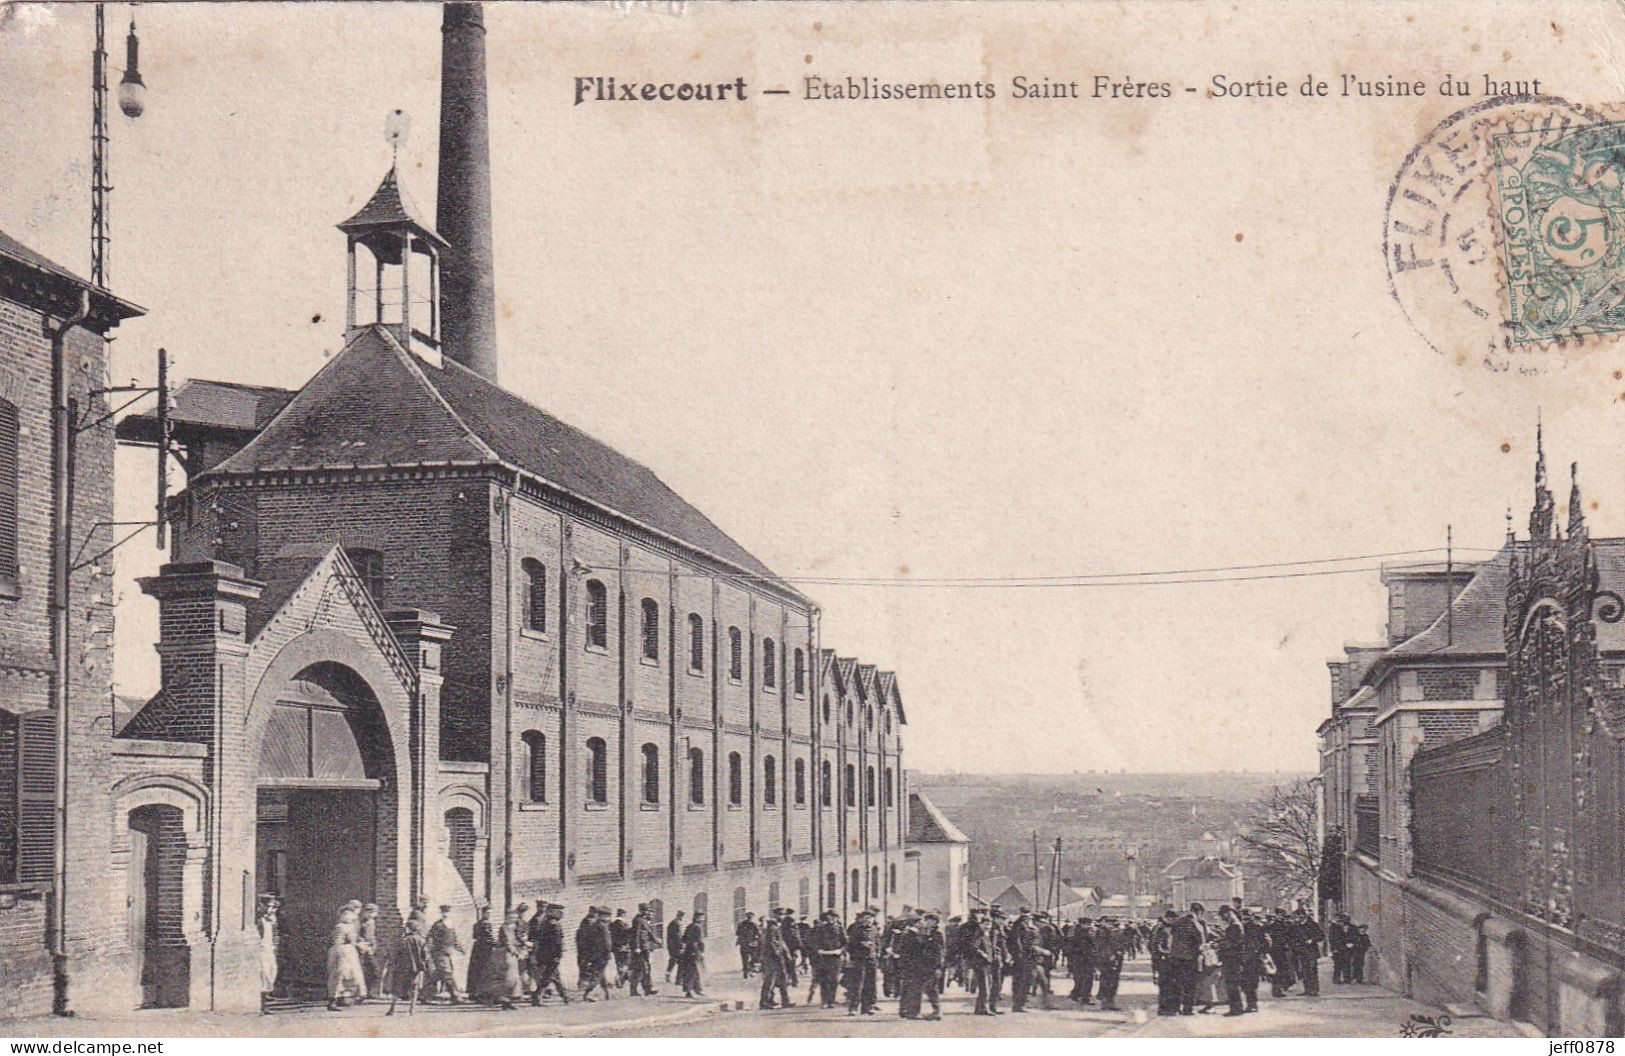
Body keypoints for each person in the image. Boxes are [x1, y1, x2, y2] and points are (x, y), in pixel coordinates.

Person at [385, 914, 430, 1016]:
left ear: (408, 929)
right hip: (415, 969)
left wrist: (394, 964)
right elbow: (426, 955)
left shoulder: (402, 940)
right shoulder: (421, 940)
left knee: (396, 988)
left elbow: (395, 954)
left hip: (401, 968)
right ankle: (411, 1010)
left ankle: (391, 1009)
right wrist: (422, 964)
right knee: (414, 989)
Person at [326, 905, 368, 1010]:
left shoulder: (350, 926)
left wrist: (360, 945)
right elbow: (338, 942)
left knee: (352, 976)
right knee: (339, 975)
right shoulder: (340, 927)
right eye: (348, 914)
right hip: (342, 952)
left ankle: (345, 997)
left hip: (350, 952)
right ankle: (333, 1000)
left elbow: (354, 940)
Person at [529, 902, 570, 1005]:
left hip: (544, 954)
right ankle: (537, 997)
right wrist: (558, 955)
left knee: (554, 976)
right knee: (549, 976)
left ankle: (564, 996)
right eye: (560, 912)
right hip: (551, 956)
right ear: (553, 912)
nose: (562, 914)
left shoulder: (544, 922)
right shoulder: (554, 925)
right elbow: (557, 942)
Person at [1168, 903, 1206, 1015]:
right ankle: (1188, 1008)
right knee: (1190, 984)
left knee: (1177, 983)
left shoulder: (1177, 922)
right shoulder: (1196, 924)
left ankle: (1175, 1008)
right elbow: (1200, 941)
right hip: (1189, 959)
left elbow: (1172, 935)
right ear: (1199, 912)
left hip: (1175, 957)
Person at [426, 903, 465, 1003]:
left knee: (439, 974)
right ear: (441, 913)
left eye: (447, 912)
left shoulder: (450, 924)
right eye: (443, 912)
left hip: (448, 953)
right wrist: (429, 950)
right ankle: (455, 996)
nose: (445, 914)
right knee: (447, 973)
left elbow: (454, 939)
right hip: (439, 953)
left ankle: (423, 994)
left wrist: (460, 948)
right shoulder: (438, 925)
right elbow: (430, 937)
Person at [966, 908, 1001, 1016]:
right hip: (980, 963)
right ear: (981, 924)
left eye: (989, 924)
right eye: (986, 924)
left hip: (988, 963)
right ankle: (984, 1008)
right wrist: (982, 954)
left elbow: (992, 947)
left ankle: (979, 1008)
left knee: (987, 985)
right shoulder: (979, 934)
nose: (988, 926)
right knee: (984, 986)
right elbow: (973, 947)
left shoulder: (987, 934)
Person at [845, 907, 880, 1015]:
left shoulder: (875, 929)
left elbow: (878, 943)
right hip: (859, 960)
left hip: (871, 960)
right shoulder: (856, 930)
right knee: (857, 985)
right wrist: (861, 944)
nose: (868, 920)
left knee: (870, 984)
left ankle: (867, 1007)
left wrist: (877, 953)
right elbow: (850, 945)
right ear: (862, 919)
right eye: (866, 918)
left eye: (870, 918)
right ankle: (853, 1008)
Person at [758, 909, 794, 1009]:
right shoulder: (772, 926)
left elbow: (781, 942)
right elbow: (772, 942)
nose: (782, 916)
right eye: (780, 914)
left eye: (783, 915)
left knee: (782, 979)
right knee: (770, 980)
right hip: (772, 957)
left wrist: (786, 954)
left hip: (778, 956)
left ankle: (785, 1001)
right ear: (775, 915)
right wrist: (778, 953)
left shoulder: (777, 926)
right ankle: (765, 1002)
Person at [578, 906, 614, 1001]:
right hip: (602, 955)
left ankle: (607, 993)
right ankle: (588, 994)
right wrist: (608, 953)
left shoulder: (593, 925)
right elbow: (607, 943)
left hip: (594, 954)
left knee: (601, 974)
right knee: (598, 974)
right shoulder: (603, 927)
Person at [811, 910, 845, 1008]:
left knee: (834, 979)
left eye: (835, 917)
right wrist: (818, 950)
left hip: (835, 956)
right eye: (831, 917)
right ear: (827, 917)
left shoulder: (839, 928)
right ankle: (824, 1001)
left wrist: (841, 951)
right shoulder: (820, 928)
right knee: (824, 979)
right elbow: (814, 941)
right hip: (823, 956)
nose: (833, 919)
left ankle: (831, 1000)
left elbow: (845, 943)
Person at [627, 904, 661, 996]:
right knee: (641, 969)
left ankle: (647, 989)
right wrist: (637, 947)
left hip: (645, 948)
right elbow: (636, 934)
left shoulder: (643, 920)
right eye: (645, 910)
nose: (647, 912)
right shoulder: (637, 920)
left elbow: (648, 933)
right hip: (641, 949)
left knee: (646, 969)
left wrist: (656, 940)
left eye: (647, 910)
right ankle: (634, 990)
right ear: (641, 910)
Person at [1239, 907, 1269, 1013]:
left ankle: (1252, 1004)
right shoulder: (1256, 927)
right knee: (1249, 983)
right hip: (1249, 959)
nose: (1245, 919)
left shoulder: (1253, 927)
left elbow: (1266, 942)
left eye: (1247, 917)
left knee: (1249, 983)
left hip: (1251, 959)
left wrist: (1261, 952)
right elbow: (1267, 942)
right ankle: (1252, 1004)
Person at [255, 894, 280, 1014]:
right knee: (264, 975)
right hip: (261, 950)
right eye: (269, 906)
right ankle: (262, 1006)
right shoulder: (258, 919)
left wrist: (275, 946)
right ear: (262, 905)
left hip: (269, 949)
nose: (271, 909)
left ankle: (265, 1000)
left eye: (272, 907)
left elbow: (275, 934)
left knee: (272, 973)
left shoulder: (271, 919)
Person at [469, 904, 497, 1003]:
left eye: (490, 913)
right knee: (484, 970)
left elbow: (475, 936)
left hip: (477, 949)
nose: (489, 915)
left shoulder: (477, 924)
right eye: (488, 913)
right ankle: (482, 994)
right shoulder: (486, 924)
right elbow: (488, 937)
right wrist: (497, 944)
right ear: (483, 913)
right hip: (485, 950)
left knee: (476, 971)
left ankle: (475, 993)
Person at [1293, 909, 1325, 997]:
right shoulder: (1296, 926)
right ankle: (1307, 989)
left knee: (1312, 970)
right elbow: (1293, 938)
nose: (1299, 918)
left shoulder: (1313, 925)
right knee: (1304, 971)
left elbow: (1321, 936)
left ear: (1304, 915)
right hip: (1302, 952)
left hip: (1311, 951)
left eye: (1300, 916)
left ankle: (1314, 990)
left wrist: (1312, 940)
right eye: (1297, 916)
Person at [1095, 919, 1125, 1011]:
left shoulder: (1113, 931)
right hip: (1108, 959)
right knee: (1108, 980)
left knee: (1112, 980)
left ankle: (1108, 1001)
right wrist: (1111, 954)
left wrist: (1119, 951)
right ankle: (1106, 1002)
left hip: (1114, 958)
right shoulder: (1103, 932)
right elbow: (1103, 946)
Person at [677, 912, 707, 997]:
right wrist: (701, 952)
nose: (703, 920)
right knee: (692, 972)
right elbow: (700, 941)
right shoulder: (698, 927)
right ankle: (689, 991)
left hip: (688, 951)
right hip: (695, 951)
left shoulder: (689, 926)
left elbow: (683, 939)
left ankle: (697, 989)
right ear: (697, 918)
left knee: (693, 971)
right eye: (701, 918)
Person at [1068, 916, 1097, 1004]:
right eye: (1088, 924)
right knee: (1088, 978)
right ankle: (1085, 998)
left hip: (1076, 958)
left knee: (1079, 977)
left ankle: (1075, 994)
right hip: (1086, 958)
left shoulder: (1073, 931)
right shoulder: (1087, 932)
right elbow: (1092, 945)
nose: (1090, 926)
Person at [610, 908, 632, 988]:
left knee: (619, 964)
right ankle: (619, 978)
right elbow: (628, 935)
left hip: (616, 948)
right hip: (624, 947)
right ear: (623, 915)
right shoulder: (624, 925)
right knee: (627, 963)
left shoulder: (612, 924)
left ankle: (621, 982)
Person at [736, 911, 761, 978]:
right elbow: (759, 934)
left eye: (751, 916)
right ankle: (747, 971)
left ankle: (747, 971)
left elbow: (737, 933)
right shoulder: (752, 924)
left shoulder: (742, 924)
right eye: (749, 916)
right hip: (750, 944)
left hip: (746, 944)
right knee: (752, 957)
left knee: (747, 958)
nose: (750, 918)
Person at [1329, 913, 1351, 984]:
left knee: (1344, 963)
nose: (1341, 923)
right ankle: (1336, 979)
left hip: (1342, 948)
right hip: (1338, 949)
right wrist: (1334, 949)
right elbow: (1332, 939)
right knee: (1337, 965)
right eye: (1340, 921)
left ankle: (1345, 979)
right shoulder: (1333, 928)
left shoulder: (1338, 927)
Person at [665, 910, 686, 982]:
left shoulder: (672, 923)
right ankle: (679, 979)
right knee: (681, 962)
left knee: (673, 961)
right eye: (681, 916)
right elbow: (678, 936)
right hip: (676, 946)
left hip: (671, 946)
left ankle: (668, 975)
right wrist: (682, 946)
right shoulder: (678, 923)